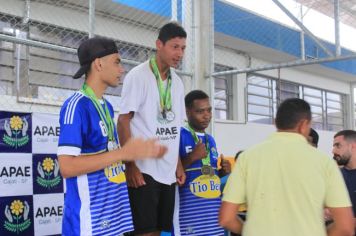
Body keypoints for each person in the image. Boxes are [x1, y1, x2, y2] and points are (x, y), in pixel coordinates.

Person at [57, 37, 167, 236]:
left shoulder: (106, 106)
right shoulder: (76, 106)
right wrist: (122, 153)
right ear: (98, 64)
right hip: (88, 224)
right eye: (117, 62)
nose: (122, 69)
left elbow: (108, 156)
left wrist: (137, 154)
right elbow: (66, 167)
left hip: (112, 220)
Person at [219, 98, 354, 236]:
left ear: (275, 122)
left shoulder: (247, 158)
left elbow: (226, 219)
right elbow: (345, 226)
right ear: (304, 124)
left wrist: (249, 231)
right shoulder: (324, 163)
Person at [118, 22, 187, 236]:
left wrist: (178, 164)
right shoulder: (138, 76)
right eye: (175, 47)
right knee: (145, 232)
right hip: (144, 170)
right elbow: (122, 122)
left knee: (159, 231)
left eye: (183, 48)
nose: (180, 53)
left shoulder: (178, 82)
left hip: (167, 171)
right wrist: (130, 166)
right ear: (159, 45)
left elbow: (173, 128)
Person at [173, 90, 231, 236]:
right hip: (188, 220)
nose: (207, 115)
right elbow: (170, 174)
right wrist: (192, 157)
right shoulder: (178, 136)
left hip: (213, 220)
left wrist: (222, 172)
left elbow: (207, 173)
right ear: (187, 112)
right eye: (200, 111)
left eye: (209, 110)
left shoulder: (210, 140)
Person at [332, 130, 356, 229]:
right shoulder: (335, 176)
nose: (333, 151)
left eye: (338, 146)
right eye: (333, 146)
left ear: (353, 146)